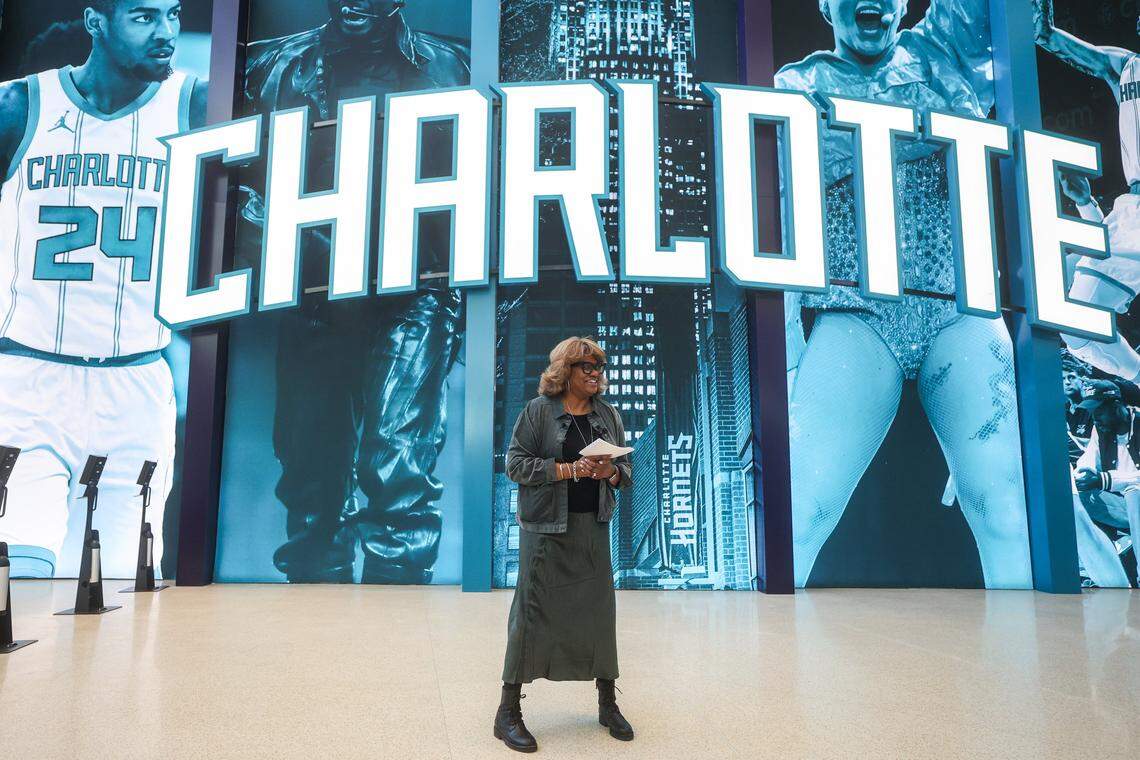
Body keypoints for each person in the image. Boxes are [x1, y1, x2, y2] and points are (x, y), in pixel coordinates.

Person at [776, 0, 1032, 588]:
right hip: (858, 312)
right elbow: (786, 205)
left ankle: (1028, 664)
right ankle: (758, 666)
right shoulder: (797, 85)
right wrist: (790, 348)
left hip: (956, 304)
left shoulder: (945, 46)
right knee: (802, 508)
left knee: (1002, 505)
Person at [242, 0, 469, 584]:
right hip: (314, 295)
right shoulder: (272, 68)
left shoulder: (453, 68)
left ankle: (392, 646)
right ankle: (317, 650)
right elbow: (239, 186)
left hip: (415, 291)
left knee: (398, 475)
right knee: (312, 490)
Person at [0, 0, 205, 578]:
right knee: (18, 577)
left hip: (136, 380)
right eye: (144, 18)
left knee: (115, 591)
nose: (165, 33)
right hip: (28, 380)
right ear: (96, 22)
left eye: (173, 14)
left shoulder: (196, 105)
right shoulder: (17, 106)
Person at [495, 337, 634, 753]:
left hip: (592, 528)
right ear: (564, 372)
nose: (595, 374)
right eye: (586, 367)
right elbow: (515, 465)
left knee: (598, 616)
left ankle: (607, 705)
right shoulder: (538, 412)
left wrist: (610, 471)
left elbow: (625, 472)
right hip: (545, 530)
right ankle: (507, 714)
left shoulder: (607, 414)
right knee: (530, 614)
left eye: (598, 367)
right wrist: (569, 468)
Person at [1035, 0, 1140, 383]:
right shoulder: (1125, 65)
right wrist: (1041, 26)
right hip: (1133, 212)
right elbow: (1049, 39)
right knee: (1072, 314)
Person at [1072, 380, 1140, 587]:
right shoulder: (1101, 429)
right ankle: (1090, 570)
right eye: (1092, 411)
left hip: (1135, 500)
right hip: (1124, 509)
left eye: (1100, 410)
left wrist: (1104, 480)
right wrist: (1083, 475)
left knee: (1134, 492)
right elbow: (1089, 458)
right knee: (1077, 498)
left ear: (1117, 404)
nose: (1095, 417)